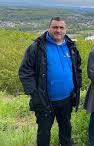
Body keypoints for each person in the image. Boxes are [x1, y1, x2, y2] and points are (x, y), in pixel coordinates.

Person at [19, 17, 82, 146]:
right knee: (44, 133)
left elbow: (77, 68)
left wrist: (77, 85)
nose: (58, 30)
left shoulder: (71, 46)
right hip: (44, 101)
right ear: (49, 28)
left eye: (61, 27)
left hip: (67, 99)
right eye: (55, 27)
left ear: (66, 29)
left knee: (66, 129)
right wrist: (35, 94)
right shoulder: (37, 47)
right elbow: (25, 71)